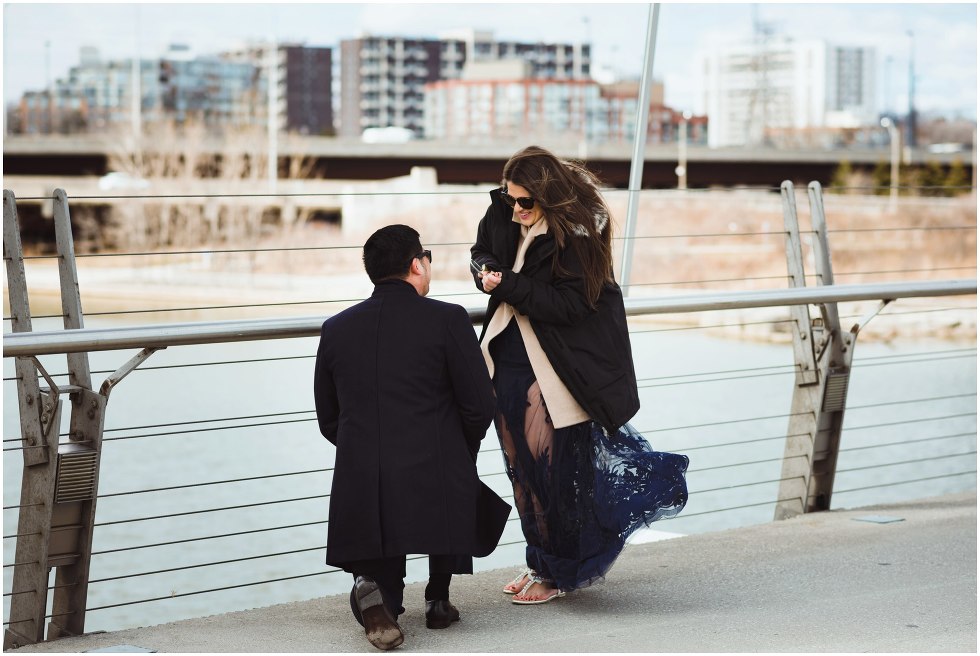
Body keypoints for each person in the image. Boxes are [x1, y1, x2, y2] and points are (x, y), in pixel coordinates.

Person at [470, 145, 690, 605]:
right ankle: (540, 562)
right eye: (511, 198)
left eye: (525, 202)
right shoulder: (504, 209)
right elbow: (482, 251)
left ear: (547, 196)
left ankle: (561, 570)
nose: (516, 209)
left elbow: (569, 307)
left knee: (554, 472)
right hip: (506, 355)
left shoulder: (579, 234)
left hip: (555, 366)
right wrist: (486, 271)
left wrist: (506, 284)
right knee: (522, 471)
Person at [314, 224, 510, 650]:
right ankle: (439, 598)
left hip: (361, 477)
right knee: (455, 473)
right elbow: (479, 405)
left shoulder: (336, 328)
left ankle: (379, 595)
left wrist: (367, 449)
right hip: (434, 474)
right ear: (416, 264)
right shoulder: (448, 319)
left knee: (379, 490)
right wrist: (457, 447)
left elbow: (329, 419)